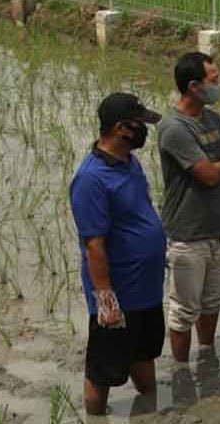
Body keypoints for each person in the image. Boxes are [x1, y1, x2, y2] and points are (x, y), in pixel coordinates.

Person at [69, 92, 165, 416]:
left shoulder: (129, 162)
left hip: (147, 288)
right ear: (121, 128)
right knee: (103, 370)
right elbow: (94, 244)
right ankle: (95, 417)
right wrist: (106, 299)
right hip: (120, 292)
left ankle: (149, 409)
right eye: (140, 124)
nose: (144, 131)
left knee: (145, 352)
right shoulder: (90, 179)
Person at [158, 52, 220, 363]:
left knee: (213, 301)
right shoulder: (174, 128)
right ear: (193, 86)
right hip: (187, 235)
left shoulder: (214, 120)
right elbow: (207, 175)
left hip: (219, 228)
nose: (219, 85)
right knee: (184, 310)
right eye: (214, 80)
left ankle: (207, 355)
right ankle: (181, 368)